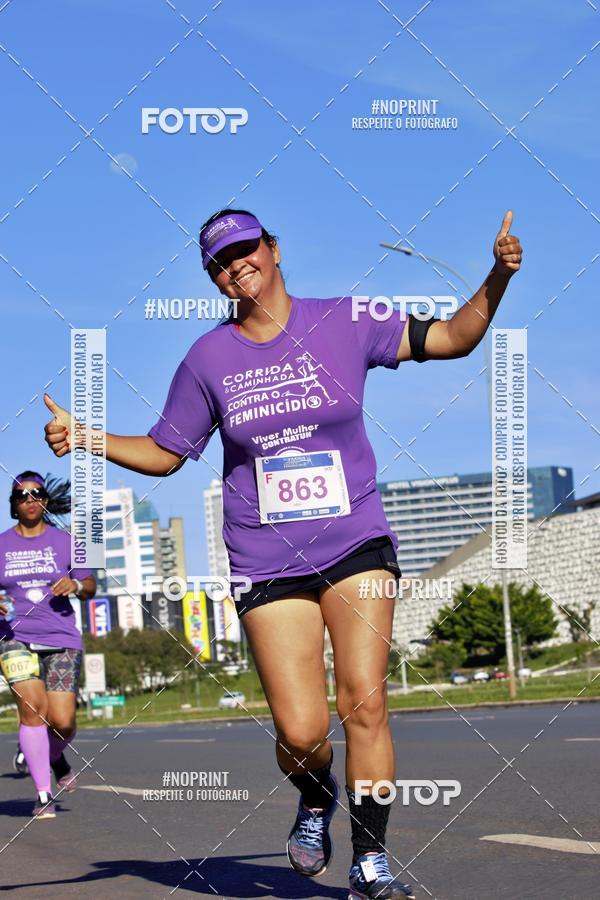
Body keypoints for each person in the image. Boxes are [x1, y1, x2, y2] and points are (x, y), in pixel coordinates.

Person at [43, 207, 522, 896]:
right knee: (300, 732)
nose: (234, 264)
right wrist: (87, 437)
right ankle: (315, 795)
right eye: (218, 261)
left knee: (364, 703)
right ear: (212, 278)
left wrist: (497, 277)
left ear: (272, 248)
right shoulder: (209, 358)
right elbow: (166, 452)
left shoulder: (347, 319)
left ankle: (370, 862)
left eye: (244, 249)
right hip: (266, 559)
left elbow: (451, 336)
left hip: (356, 541)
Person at [0, 472, 96, 819]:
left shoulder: (68, 540)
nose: (30, 499)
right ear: (13, 504)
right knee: (33, 710)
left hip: (60, 638)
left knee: (64, 721)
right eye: (22, 495)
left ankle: (53, 755)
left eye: (36, 493)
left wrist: (75, 585)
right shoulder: (0, 544)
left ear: (45, 500)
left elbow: (91, 586)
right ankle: (43, 795)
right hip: (13, 636)